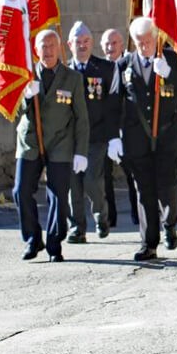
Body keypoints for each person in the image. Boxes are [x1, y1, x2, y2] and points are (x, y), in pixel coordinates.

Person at [107, 17, 177, 261]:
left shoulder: (170, 59)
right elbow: (114, 103)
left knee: (166, 187)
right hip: (137, 139)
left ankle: (170, 223)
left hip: (166, 136)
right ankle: (149, 243)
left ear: (156, 38)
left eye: (148, 41)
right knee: (143, 190)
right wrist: (113, 137)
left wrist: (170, 74)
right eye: (139, 42)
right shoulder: (124, 65)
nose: (144, 46)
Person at [13, 29, 89, 263]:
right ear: (35, 51)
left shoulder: (73, 78)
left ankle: (55, 242)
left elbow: (81, 118)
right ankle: (33, 239)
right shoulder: (24, 76)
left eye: (52, 46)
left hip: (60, 142)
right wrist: (26, 97)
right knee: (20, 190)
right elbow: (13, 112)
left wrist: (81, 152)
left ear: (60, 49)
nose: (47, 51)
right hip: (30, 142)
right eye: (43, 47)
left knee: (58, 194)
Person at [65, 21, 119, 243]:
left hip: (96, 136)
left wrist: (114, 135)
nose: (83, 46)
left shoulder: (105, 69)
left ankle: (101, 217)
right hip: (70, 139)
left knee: (92, 181)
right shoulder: (63, 72)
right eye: (78, 42)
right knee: (73, 185)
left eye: (86, 41)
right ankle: (77, 228)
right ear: (70, 44)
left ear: (92, 43)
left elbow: (113, 104)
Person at [99, 27, 137, 227]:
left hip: (127, 129)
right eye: (106, 43)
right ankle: (110, 217)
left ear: (122, 45)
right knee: (105, 177)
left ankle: (137, 215)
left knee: (133, 174)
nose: (110, 47)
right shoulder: (98, 68)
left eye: (114, 43)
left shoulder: (130, 64)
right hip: (104, 131)